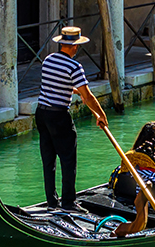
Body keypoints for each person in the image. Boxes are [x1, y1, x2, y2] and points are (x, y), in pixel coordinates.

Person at [35, 26, 110, 211]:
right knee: (68, 159)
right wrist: (101, 115)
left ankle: (52, 202)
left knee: (48, 160)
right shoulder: (74, 66)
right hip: (59, 116)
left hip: (42, 113)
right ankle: (68, 203)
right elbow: (88, 96)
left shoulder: (48, 60)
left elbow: (56, 84)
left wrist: (75, 90)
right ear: (75, 46)